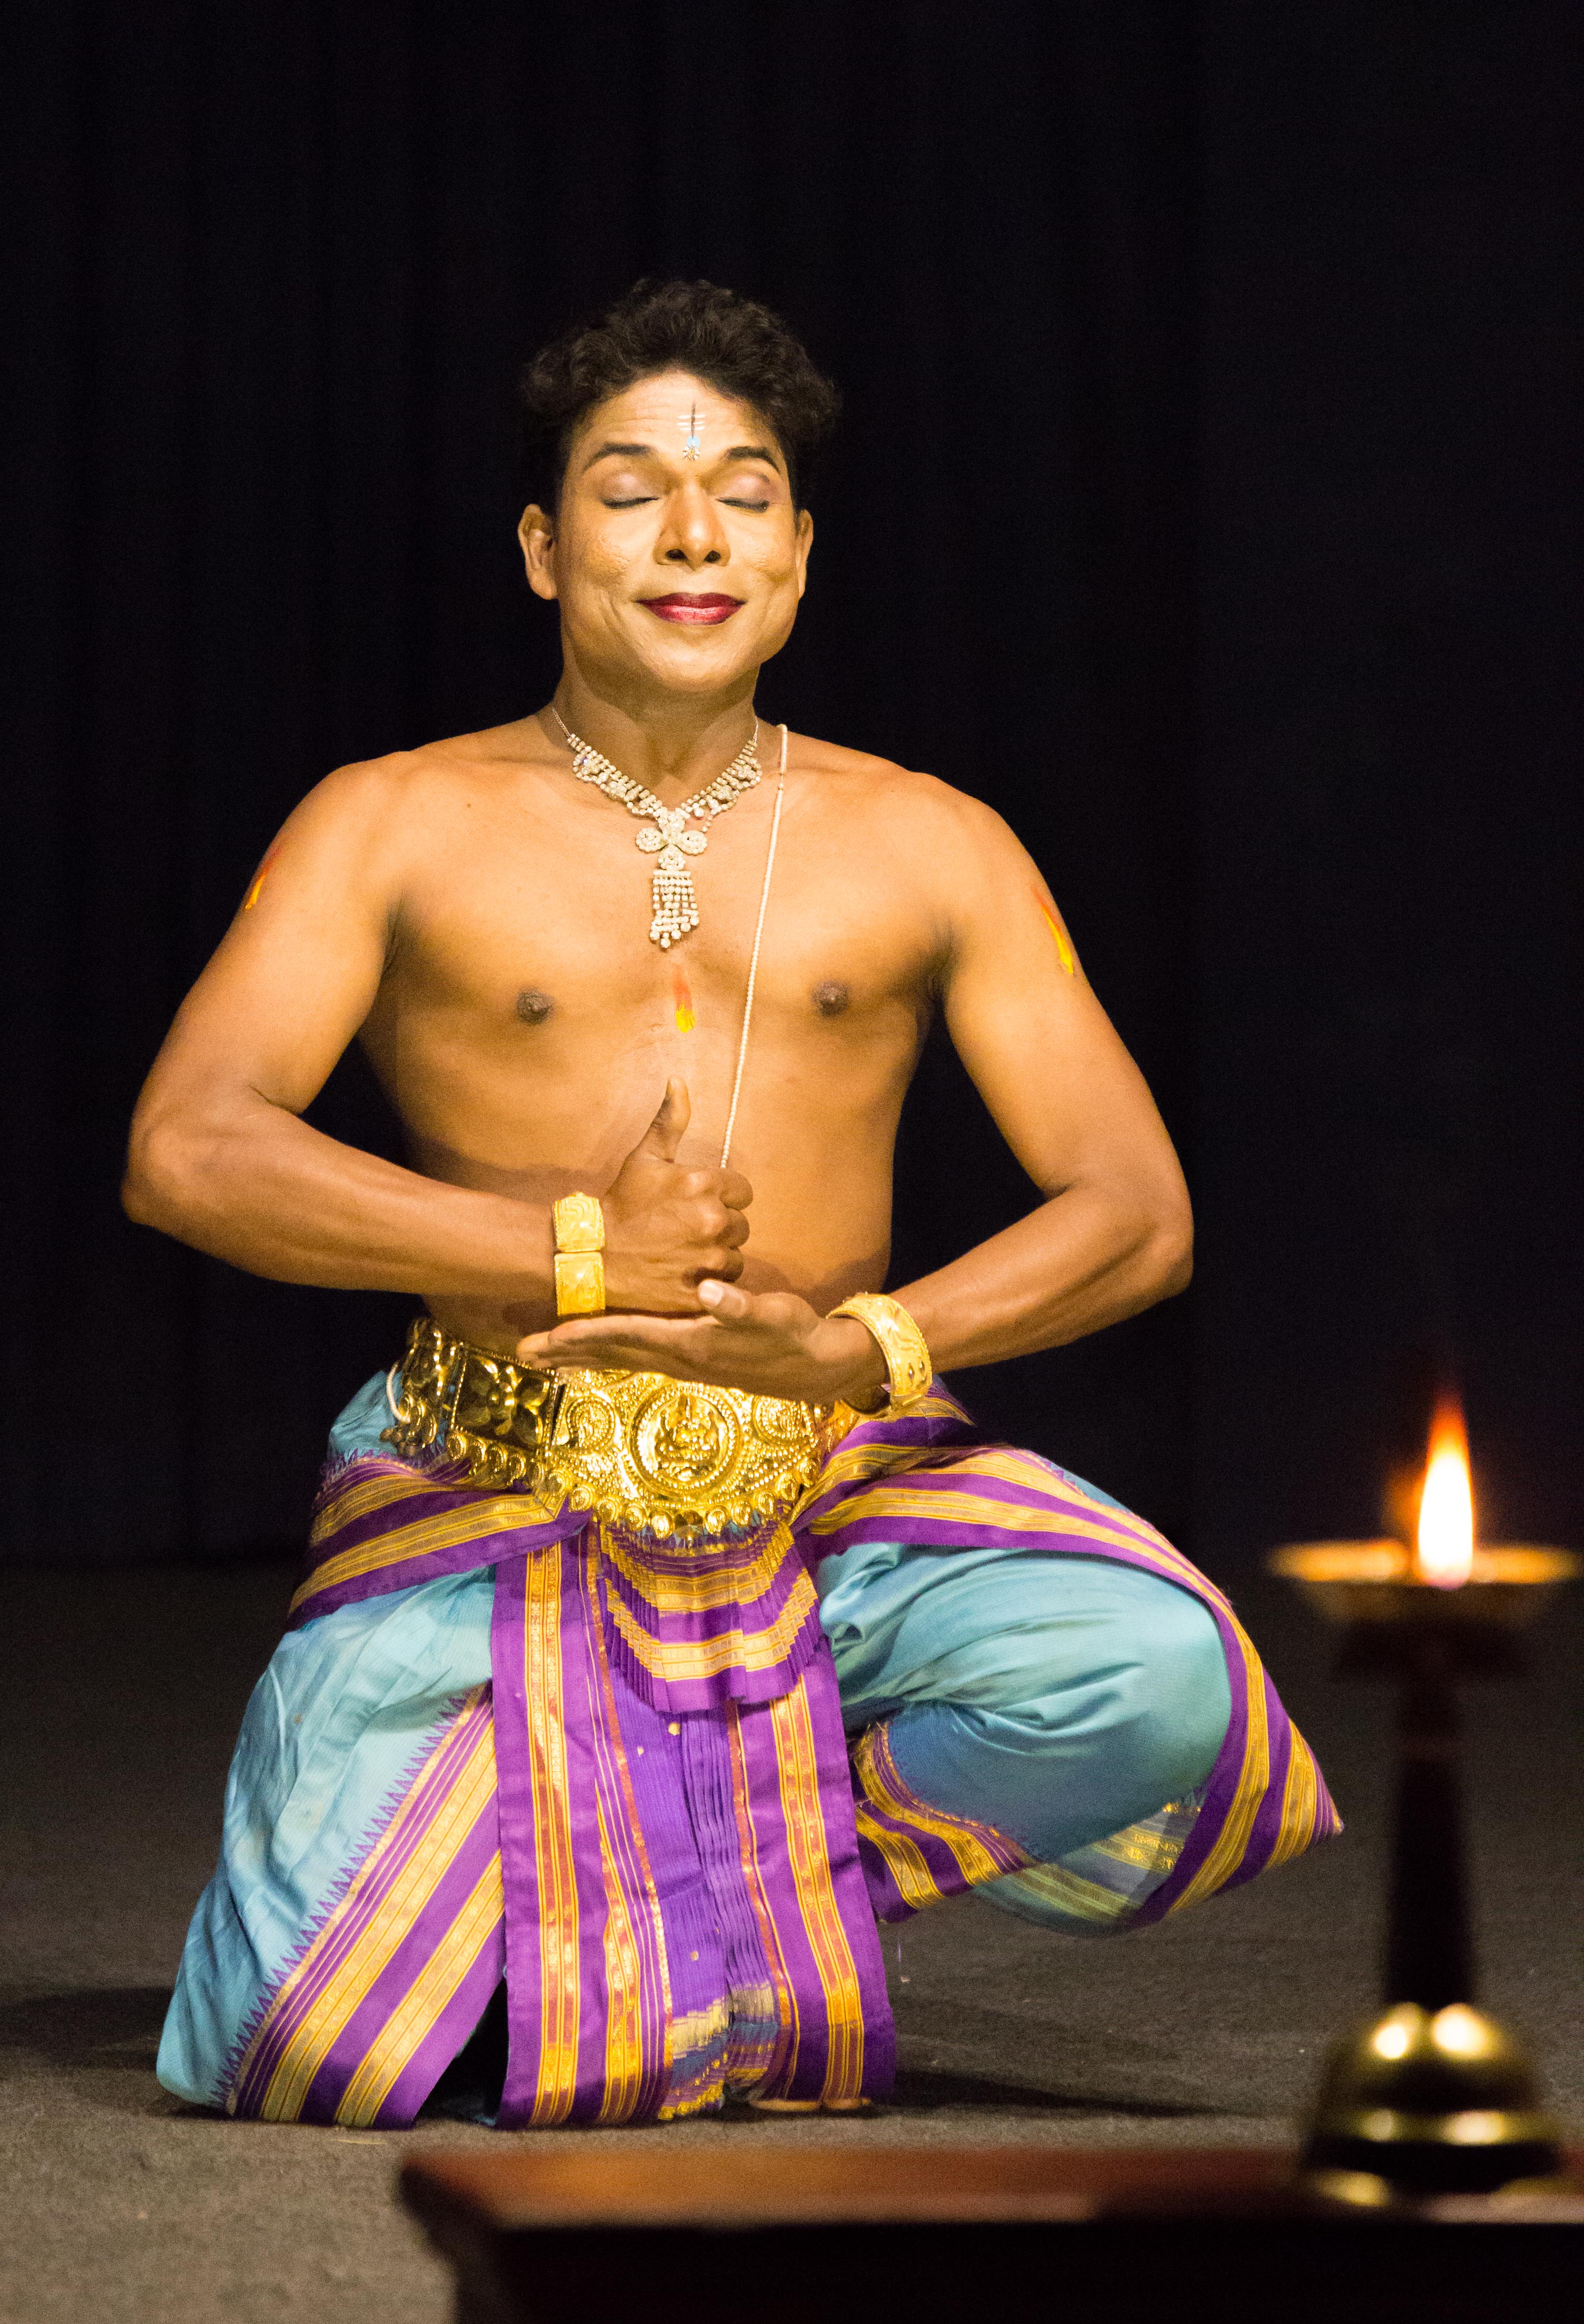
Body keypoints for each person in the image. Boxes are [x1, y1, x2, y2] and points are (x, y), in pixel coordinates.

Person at [128, 279, 1337, 2130]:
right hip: (500, 1496)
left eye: (744, 494)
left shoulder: (933, 838)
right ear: (546, 551)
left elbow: (1136, 1209)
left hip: (830, 1501)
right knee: (309, 2050)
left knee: (1158, 1680)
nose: (693, 535)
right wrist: (566, 1250)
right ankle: (654, 1908)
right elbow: (190, 1147)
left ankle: (697, 1896)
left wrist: (868, 1350)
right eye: (631, 492)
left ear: (797, 556)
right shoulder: (388, 820)